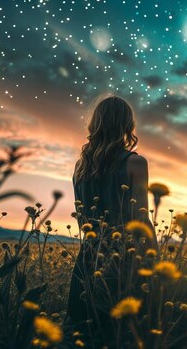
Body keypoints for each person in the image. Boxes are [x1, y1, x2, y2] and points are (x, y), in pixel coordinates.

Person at [65, 94, 156, 345]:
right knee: (124, 335)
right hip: (125, 260)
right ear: (127, 125)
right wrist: (152, 261)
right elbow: (141, 220)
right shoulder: (136, 163)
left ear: (96, 125)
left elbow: (83, 216)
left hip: (89, 258)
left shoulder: (80, 168)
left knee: (86, 334)